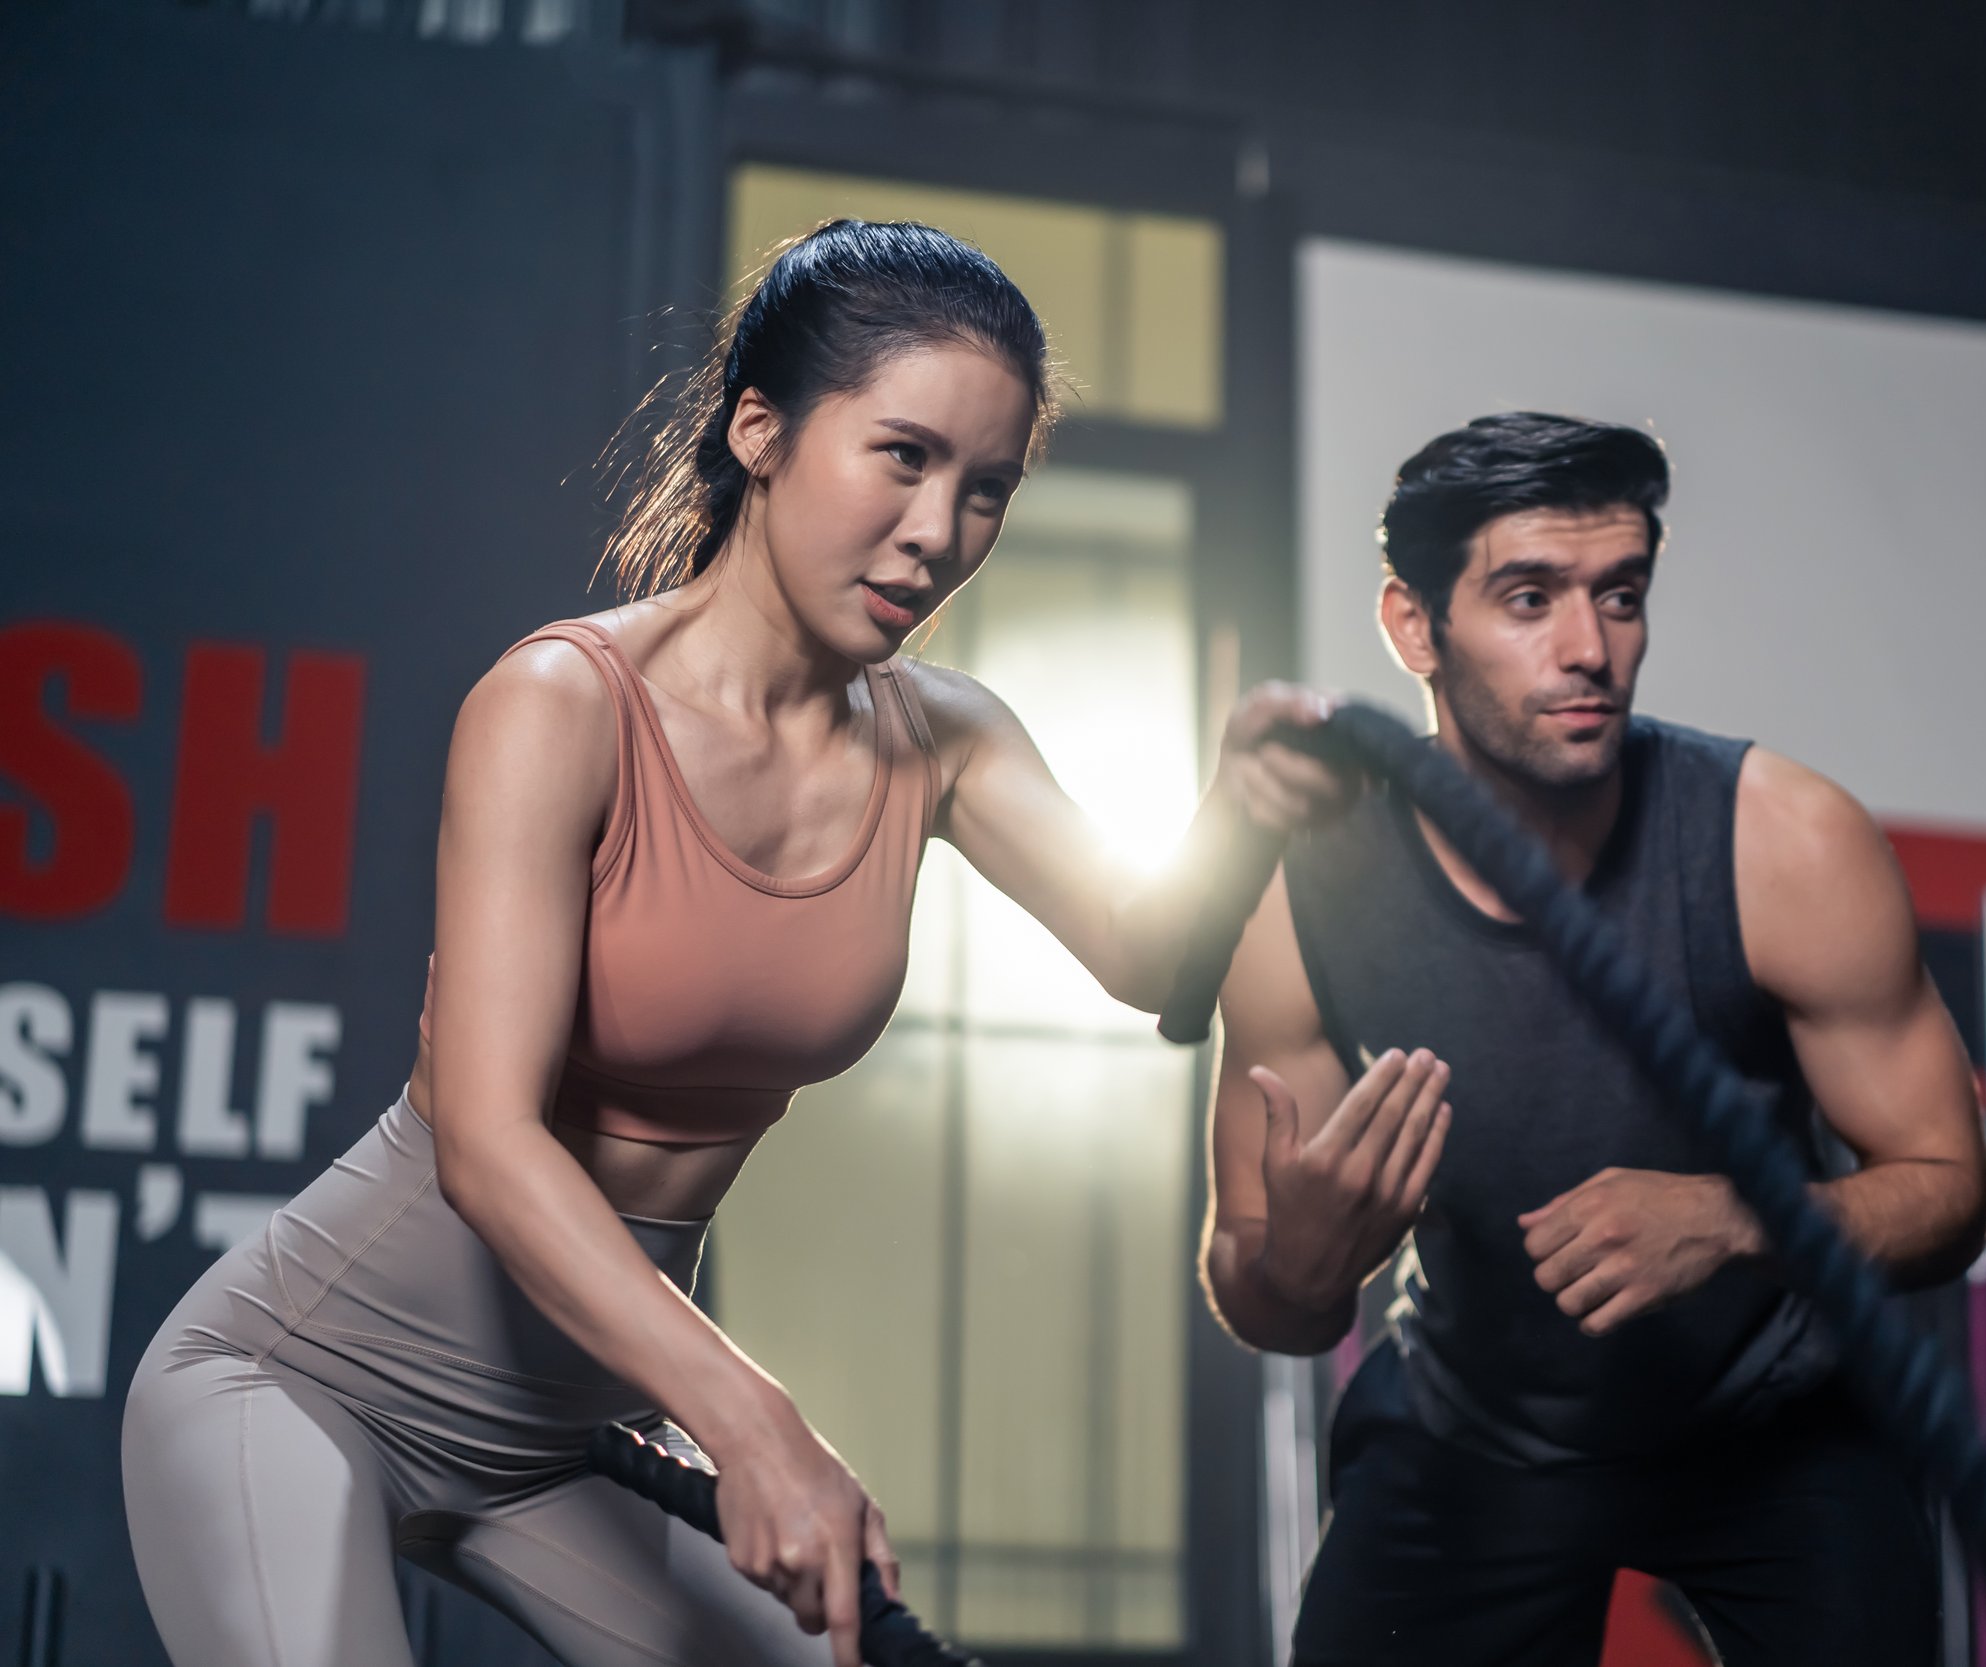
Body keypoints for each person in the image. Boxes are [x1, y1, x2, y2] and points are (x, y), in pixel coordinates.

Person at [120, 218, 1347, 1667]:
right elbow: (490, 1143)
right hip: (304, 1375)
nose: (939, 532)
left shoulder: (944, 739)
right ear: (759, 430)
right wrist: (756, 1419)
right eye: (902, 455)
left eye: (987, 489)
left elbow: (1152, 960)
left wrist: (1242, 806)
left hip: (567, 1438)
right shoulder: (563, 704)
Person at [1200, 412, 1986, 1666]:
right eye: (1528, 598)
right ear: (1413, 625)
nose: (1590, 649)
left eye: (1619, 594)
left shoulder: (1780, 841)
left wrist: (1738, 1216)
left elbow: (1952, 1196)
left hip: (1772, 1425)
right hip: (1480, 1429)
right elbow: (1258, 1286)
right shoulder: (1298, 893)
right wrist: (1299, 1270)